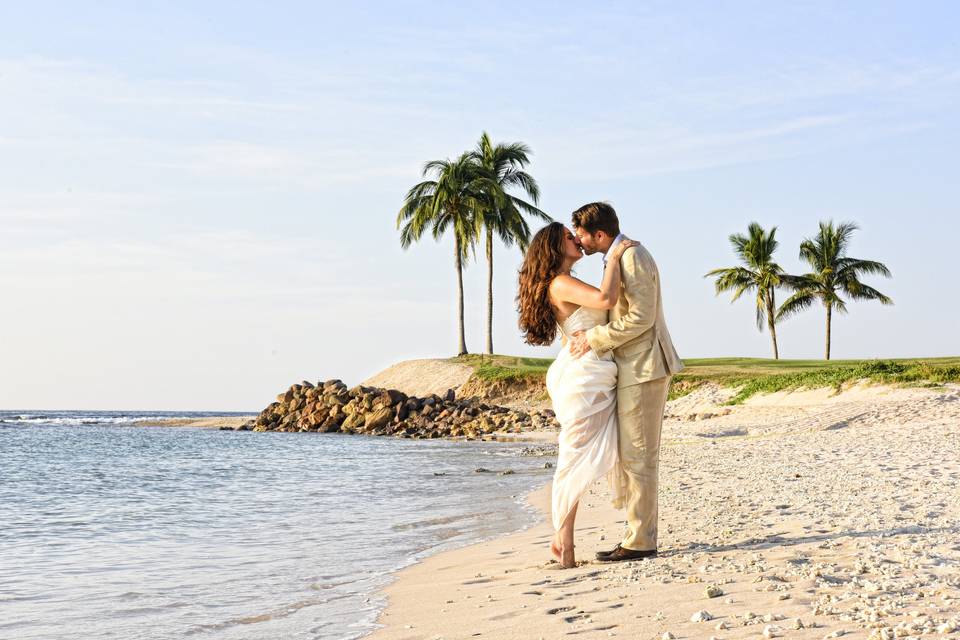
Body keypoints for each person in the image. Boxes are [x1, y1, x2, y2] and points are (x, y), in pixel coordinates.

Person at [566, 202, 684, 563]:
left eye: (582, 235)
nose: (579, 241)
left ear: (599, 234)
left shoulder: (631, 257)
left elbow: (641, 318)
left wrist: (594, 338)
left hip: (644, 367)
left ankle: (640, 541)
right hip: (634, 367)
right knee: (634, 454)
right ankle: (639, 534)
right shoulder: (620, 255)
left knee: (639, 455)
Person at [517, 221, 637, 568]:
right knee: (572, 460)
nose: (576, 239)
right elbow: (606, 299)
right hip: (585, 378)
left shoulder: (563, 281)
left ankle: (562, 542)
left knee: (576, 458)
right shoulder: (560, 282)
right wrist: (615, 255)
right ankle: (564, 546)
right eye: (569, 237)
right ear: (555, 247)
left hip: (592, 372)